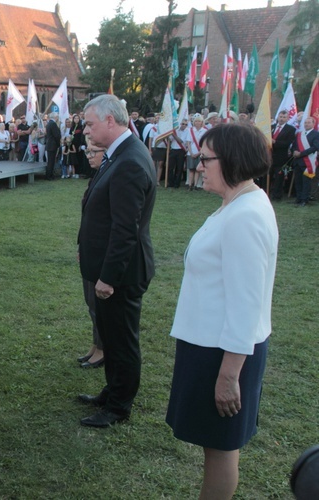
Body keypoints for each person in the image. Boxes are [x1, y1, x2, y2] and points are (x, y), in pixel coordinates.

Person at [166, 123, 278, 499]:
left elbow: (246, 304)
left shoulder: (245, 215)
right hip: (209, 345)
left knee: (221, 449)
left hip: (223, 352)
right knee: (216, 445)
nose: (199, 166)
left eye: (205, 158)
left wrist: (229, 375)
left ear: (231, 160)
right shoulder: (238, 204)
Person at [76, 94, 156, 428]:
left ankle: (119, 406)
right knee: (111, 334)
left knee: (122, 341)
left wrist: (107, 277)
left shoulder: (130, 161)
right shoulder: (120, 154)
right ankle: (112, 391)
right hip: (111, 267)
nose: (86, 130)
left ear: (111, 121)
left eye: (90, 123)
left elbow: (126, 229)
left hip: (121, 273)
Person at [75, 137, 106, 369]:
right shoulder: (96, 175)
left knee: (98, 304)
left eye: (93, 152)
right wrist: (80, 245)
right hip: (89, 246)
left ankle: (103, 348)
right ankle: (96, 344)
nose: (89, 156)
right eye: (88, 152)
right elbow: (87, 216)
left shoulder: (109, 175)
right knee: (90, 300)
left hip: (100, 250)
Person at [291, 116, 319, 206]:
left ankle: (304, 199)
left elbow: (315, 147)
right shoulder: (300, 134)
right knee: (298, 181)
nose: (306, 124)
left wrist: (301, 153)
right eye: (305, 123)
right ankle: (298, 198)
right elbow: (294, 145)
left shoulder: (316, 134)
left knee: (306, 182)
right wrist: (294, 151)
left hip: (308, 162)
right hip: (298, 161)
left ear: (313, 124)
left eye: (309, 122)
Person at [270, 110, 297, 200]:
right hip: (269, 156)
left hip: (281, 157)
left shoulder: (290, 129)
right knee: (268, 175)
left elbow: (287, 143)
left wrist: (275, 142)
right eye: (280, 117)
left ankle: (277, 195)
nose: (281, 119)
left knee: (279, 177)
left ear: (288, 118)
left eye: (284, 117)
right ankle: (267, 193)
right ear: (278, 117)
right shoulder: (271, 127)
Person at [45, 112, 62, 180]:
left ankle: (49, 174)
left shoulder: (49, 123)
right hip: (53, 145)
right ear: (55, 117)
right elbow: (56, 135)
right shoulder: (53, 124)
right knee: (51, 161)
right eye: (57, 116)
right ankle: (49, 176)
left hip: (50, 144)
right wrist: (58, 143)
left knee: (50, 161)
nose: (58, 118)